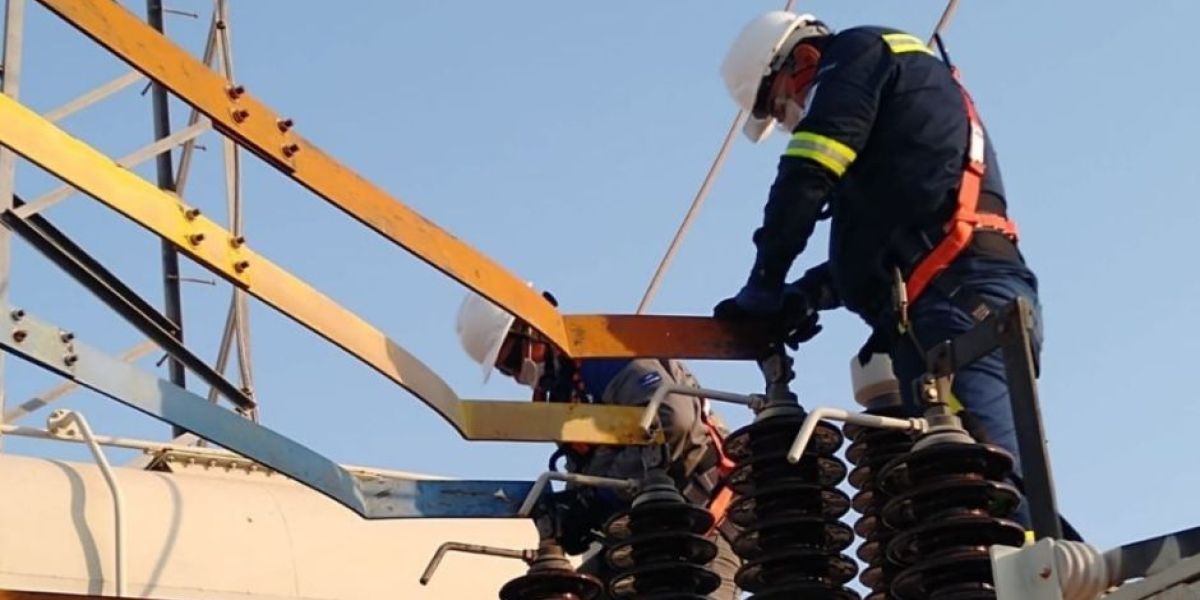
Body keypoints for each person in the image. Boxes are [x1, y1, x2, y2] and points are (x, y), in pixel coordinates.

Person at [713, 12, 1041, 523]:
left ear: (804, 60)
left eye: (779, 105)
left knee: (991, 488)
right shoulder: (887, 108)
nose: (789, 120)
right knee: (955, 506)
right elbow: (880, 242)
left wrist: (765, 282)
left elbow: (805, 175)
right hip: (942, 304)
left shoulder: (857, 57)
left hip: (962, 302)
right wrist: (806, 294)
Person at [455, 289, 741, 599]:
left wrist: (598, 496)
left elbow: (673, 420)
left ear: (534, 327)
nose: (516, 376)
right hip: (651, 531)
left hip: (705, 518)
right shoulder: (564, 393)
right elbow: (597, 464)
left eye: (512, 360)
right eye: (504, 369)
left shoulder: (602, 355)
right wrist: (574, 508)